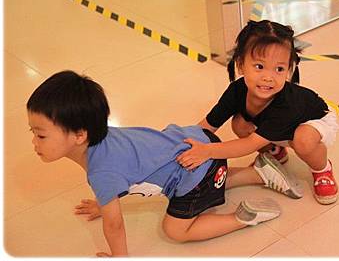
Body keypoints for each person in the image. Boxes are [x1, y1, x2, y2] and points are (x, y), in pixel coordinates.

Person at [26, 70, 302, 256]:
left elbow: (114, 225)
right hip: (202, 147)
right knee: (210, 178)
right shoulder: (105, 137)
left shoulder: (101, 172)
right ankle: (258, 173)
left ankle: (242, 218)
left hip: (198, 168)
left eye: (40, 135)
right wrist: (102, 203)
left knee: (175, 230)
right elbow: (125, 170)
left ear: (79, 135)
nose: (34, 142)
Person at [177, 19, 339, 205]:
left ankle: (322, 170)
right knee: (239, 123)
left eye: (279, 69)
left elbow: (249, 144)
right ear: (240, 64)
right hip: (278, 128)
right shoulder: (236, 90)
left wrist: (207, 151)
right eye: (259, 67)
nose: (268, 77)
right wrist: (182, 143)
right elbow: (207, 126)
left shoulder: (287, 104)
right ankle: (275, 152)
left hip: (314, 120)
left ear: (288, 70)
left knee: (303, 140)